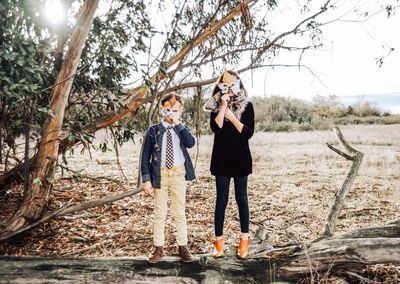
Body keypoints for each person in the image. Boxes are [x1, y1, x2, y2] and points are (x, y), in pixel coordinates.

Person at [204, 70, 254, 259]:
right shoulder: (215, 105)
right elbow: (216, 128)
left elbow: (248, 133)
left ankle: (244, 240)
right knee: (221, 201)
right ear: (220, 86)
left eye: (233, 85)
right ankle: (219, 243)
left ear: (239, 85)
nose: (229, 89)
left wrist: (233, 118)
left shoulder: (247, 106)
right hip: (221, 159)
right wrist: (223, 106)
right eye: (225, 85)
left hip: (241, 158)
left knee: (242, 199)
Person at [141, 93, 196, 264]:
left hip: (178, 173)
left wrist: (178, 124)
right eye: (167, 110)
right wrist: (147, 179)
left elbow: (190, 143)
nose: (171, 113)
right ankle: (158, 247)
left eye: (175, 110)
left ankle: (183, 245)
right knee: (160, 212)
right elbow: (145, 156)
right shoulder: (154, 130)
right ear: (161, 110)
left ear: (180, 111)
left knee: (179, 211)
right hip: (160, 173)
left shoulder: (182, 129)